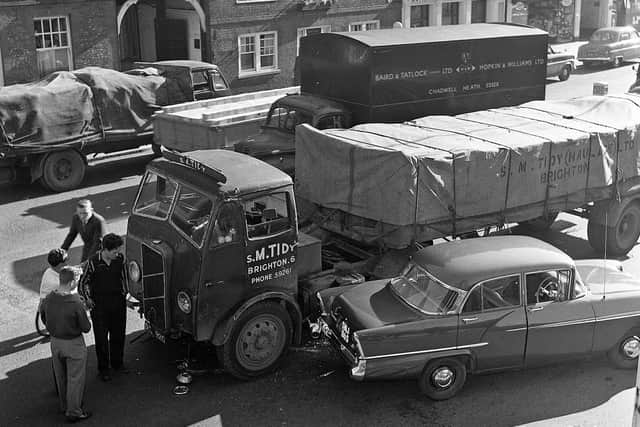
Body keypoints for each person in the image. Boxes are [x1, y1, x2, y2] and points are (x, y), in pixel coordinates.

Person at [41, 266, 92, 423]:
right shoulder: (76, 302)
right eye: (77, 280)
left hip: (55, 342)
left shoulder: (49, 298)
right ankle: (74, 411)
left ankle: (65, 405)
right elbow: (86, 328)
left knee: (61, 376)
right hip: (73, 343)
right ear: (72, 283)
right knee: (75, 379)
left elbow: (43, 317)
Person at [79, 233, 128, 382]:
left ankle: (117, 364)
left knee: (118, 335)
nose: (118, 253)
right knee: (101, 339)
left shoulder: (120, 260)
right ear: (106, 249)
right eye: (115, 251)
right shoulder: (93, 262)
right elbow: (83, 283)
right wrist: (87, 299)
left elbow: (124, 278)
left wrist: (127, 295)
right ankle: (104, 369)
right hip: (99, 306)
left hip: (118, 303)